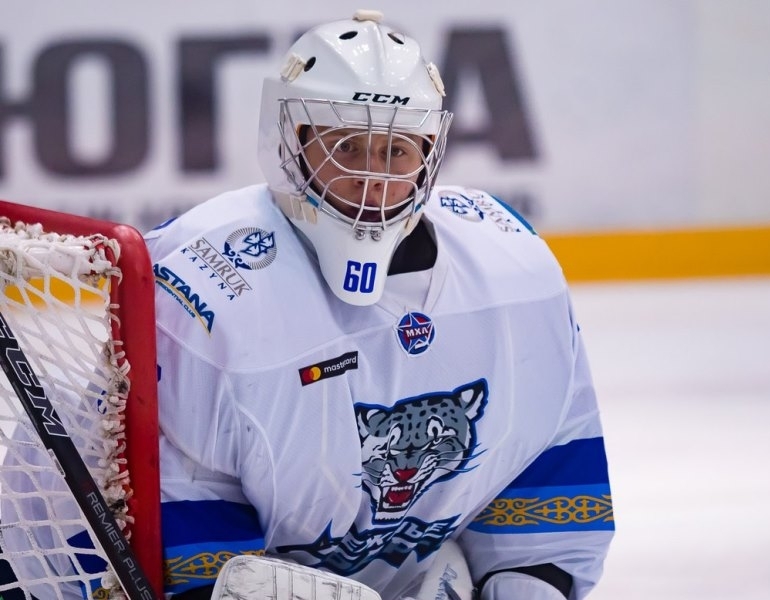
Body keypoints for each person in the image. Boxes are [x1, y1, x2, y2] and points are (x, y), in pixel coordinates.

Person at [146, 9, 614, 600]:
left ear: (430, 151)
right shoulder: (204, 279)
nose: (372, 178)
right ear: (292, 142)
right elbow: (180, 508)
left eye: (396, 150)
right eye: (346, 146)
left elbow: (546, 463)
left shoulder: (513, 270)